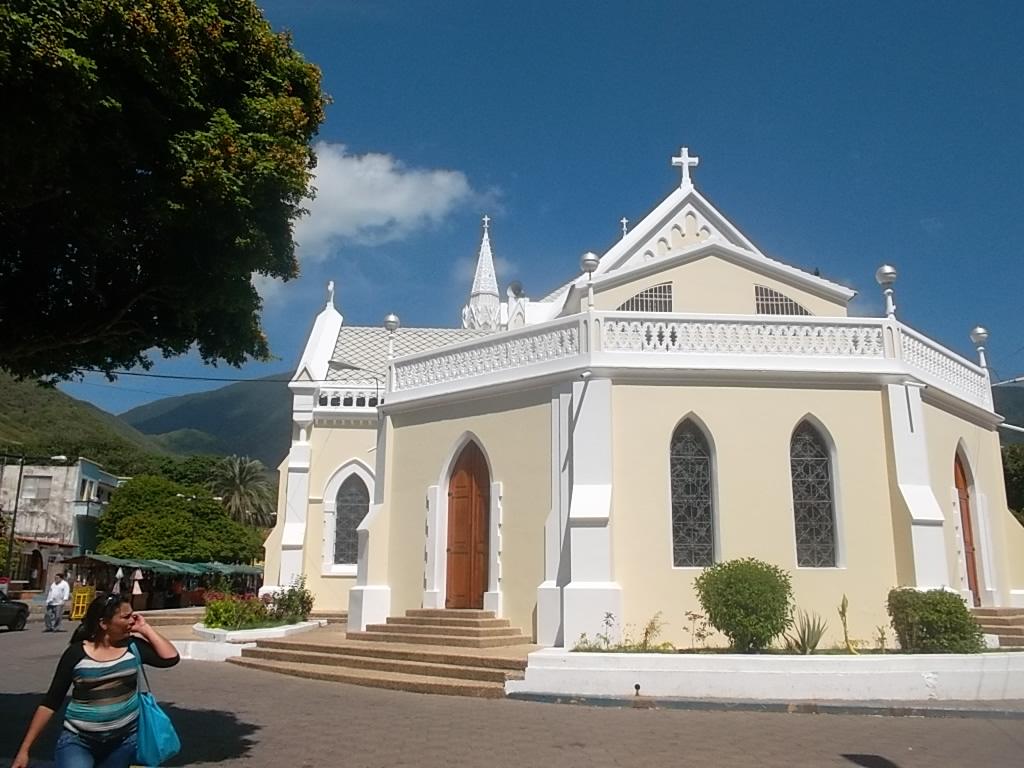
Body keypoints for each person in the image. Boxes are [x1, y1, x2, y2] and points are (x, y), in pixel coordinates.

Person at [12, 593, 180, 768]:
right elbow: (51, 702)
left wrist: (145, 629)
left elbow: (170, 658)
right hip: (78, 742)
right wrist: (24, 750)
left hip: (123, 743)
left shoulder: (132, 647)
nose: (132, 620)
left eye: (133, 615)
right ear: (104, 623)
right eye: (126, 617)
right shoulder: (76, 654)